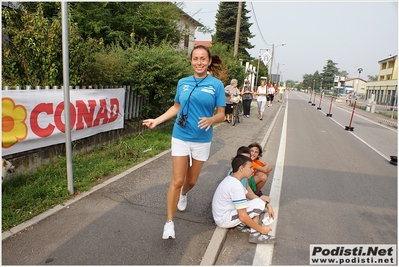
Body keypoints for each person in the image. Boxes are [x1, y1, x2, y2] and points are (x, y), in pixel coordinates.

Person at [142, 45, 226, 239]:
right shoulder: (183, 82)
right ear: (191, 61)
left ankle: (184, 194)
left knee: (191, 181)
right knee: (177, 180)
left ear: (209, 61)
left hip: (202, 139)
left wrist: (212, 119)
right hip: (180, 135)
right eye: (195, 58)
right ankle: (169, 223)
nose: (199, 62)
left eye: (203, 59)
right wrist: (157, 120)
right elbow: (176, 107)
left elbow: (222, 114)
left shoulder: (216, 85)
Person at [212, 154, 277, 244]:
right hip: (224, 219)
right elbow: (242, 215)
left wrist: (267, 205)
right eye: (250, 167)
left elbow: (248, 195)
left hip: (223, 215)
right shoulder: (236, 186)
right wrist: (262, 229)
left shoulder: (231, 179)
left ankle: (242, 225)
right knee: (258, 205)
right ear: (241, 168)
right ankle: (255, 235)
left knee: (257, 202)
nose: (252, 169)